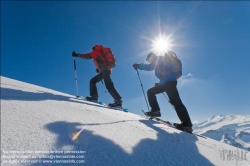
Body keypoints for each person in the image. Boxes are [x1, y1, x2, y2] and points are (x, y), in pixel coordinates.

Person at [133, 52, 193, 132]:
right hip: (167, 82)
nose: (149, 61)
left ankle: (186, 125)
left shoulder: (157, 59)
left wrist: (138, 66)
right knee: (151, 92)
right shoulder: (163, 60)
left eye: (149, 59)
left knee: (176, 102)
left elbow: (149, 67)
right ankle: (156, 111)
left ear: (151, 57)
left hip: (168, 83)